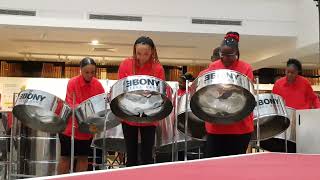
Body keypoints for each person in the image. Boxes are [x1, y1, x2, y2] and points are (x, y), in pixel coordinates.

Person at [199, 31, 253, 158]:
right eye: (223, 55)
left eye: (230, 55)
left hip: (240, 128)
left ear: (237, 53)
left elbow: (247, 95)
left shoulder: (246, 68)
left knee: (234, 167)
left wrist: (230, 93)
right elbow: (208, 93)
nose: (226, 59)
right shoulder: (214, 66)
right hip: (216, 126)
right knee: (213, 166)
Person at [118, 36, 165, 167]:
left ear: (152, 52)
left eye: (146, 53)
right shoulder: (126, 64)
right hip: (129, 112)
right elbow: (120, 89)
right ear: (134, 51)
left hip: (149, 114)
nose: (142, 57)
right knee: (131, 155)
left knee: (147, 156)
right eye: (138, 53)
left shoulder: (158, 68)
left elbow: (160, 94)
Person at [58, 57, 105, 174]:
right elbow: (70, 103)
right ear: (81, 70)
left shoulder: (98, 85)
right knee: (65, 157)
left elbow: (102, 102)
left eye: (92, 72)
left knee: (83, 158)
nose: (90, 75)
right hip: (69, 128)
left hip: (87, 129)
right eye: (87, 72)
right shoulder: (72, 82)